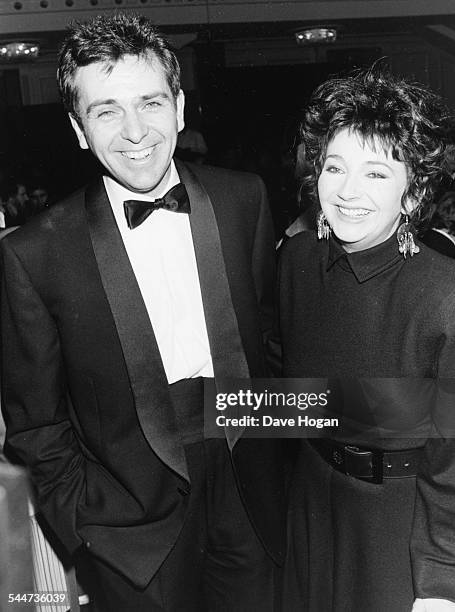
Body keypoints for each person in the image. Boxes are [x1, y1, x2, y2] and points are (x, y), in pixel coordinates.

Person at [0, 13, 286, 612]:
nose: (136, 132)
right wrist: (85, 525)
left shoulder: (244, 200)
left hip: (251, 493)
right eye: (106, 111)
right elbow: (34, 423)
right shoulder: (34, 253)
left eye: (151, 103)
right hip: (128, 526)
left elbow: (274, 346)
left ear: (180, 108)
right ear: (79, 129)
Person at [277, 67, 455, 611]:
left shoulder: (443, 297)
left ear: (413, 191)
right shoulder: (298, 263)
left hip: (396, 531)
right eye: (335, 167)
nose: (348, 192)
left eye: (376, 174)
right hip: (310, 507)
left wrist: (440, 583)